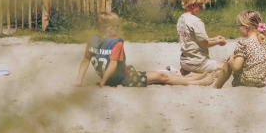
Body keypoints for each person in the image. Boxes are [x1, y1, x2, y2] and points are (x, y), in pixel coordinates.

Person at [75, 12, 214, 87]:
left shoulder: (92, 40)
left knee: (155, 74)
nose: (117, 29)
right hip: (123, 79)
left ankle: (192, 77)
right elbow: (112, 64)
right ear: (107, 27)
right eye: (115, 26)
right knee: (162, 77)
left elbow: (85, 61)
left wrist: (79, 82)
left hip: (116, 77)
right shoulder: (116, 42)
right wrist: (103, 83)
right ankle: (198, 82)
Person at [213, 10, 266, 89]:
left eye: (239, 26)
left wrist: (231, 60)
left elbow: (236, 67)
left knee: (229, 62)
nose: (238, 28)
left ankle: (216, 87)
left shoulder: (243, 43)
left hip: (249, 82)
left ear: (246, 28)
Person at [176, 0, 230, 82]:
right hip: (198, 63)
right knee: (227, 68)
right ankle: (198, 75)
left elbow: (195, 38)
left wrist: (214, 38)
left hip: (185, 62)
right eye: (201, 6)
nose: (202, 9)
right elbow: (204, 44)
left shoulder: (181, 19)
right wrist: (218, 42)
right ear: (193, 5)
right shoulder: (196, 21)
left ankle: (186, 71)